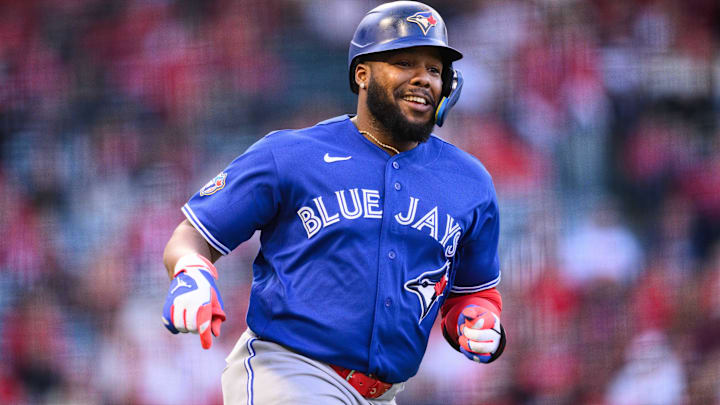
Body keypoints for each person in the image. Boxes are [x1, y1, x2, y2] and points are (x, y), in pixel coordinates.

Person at [161, 2, 506, 404]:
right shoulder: (292, 154)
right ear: (362, 74)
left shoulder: (470, 182)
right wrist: (191, 273)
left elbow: (473, 293)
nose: (423, 79)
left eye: (434, 69)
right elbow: (192, 235)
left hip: (383, 395)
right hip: (291, 374)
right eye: (404, 62)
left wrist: (479, 320)